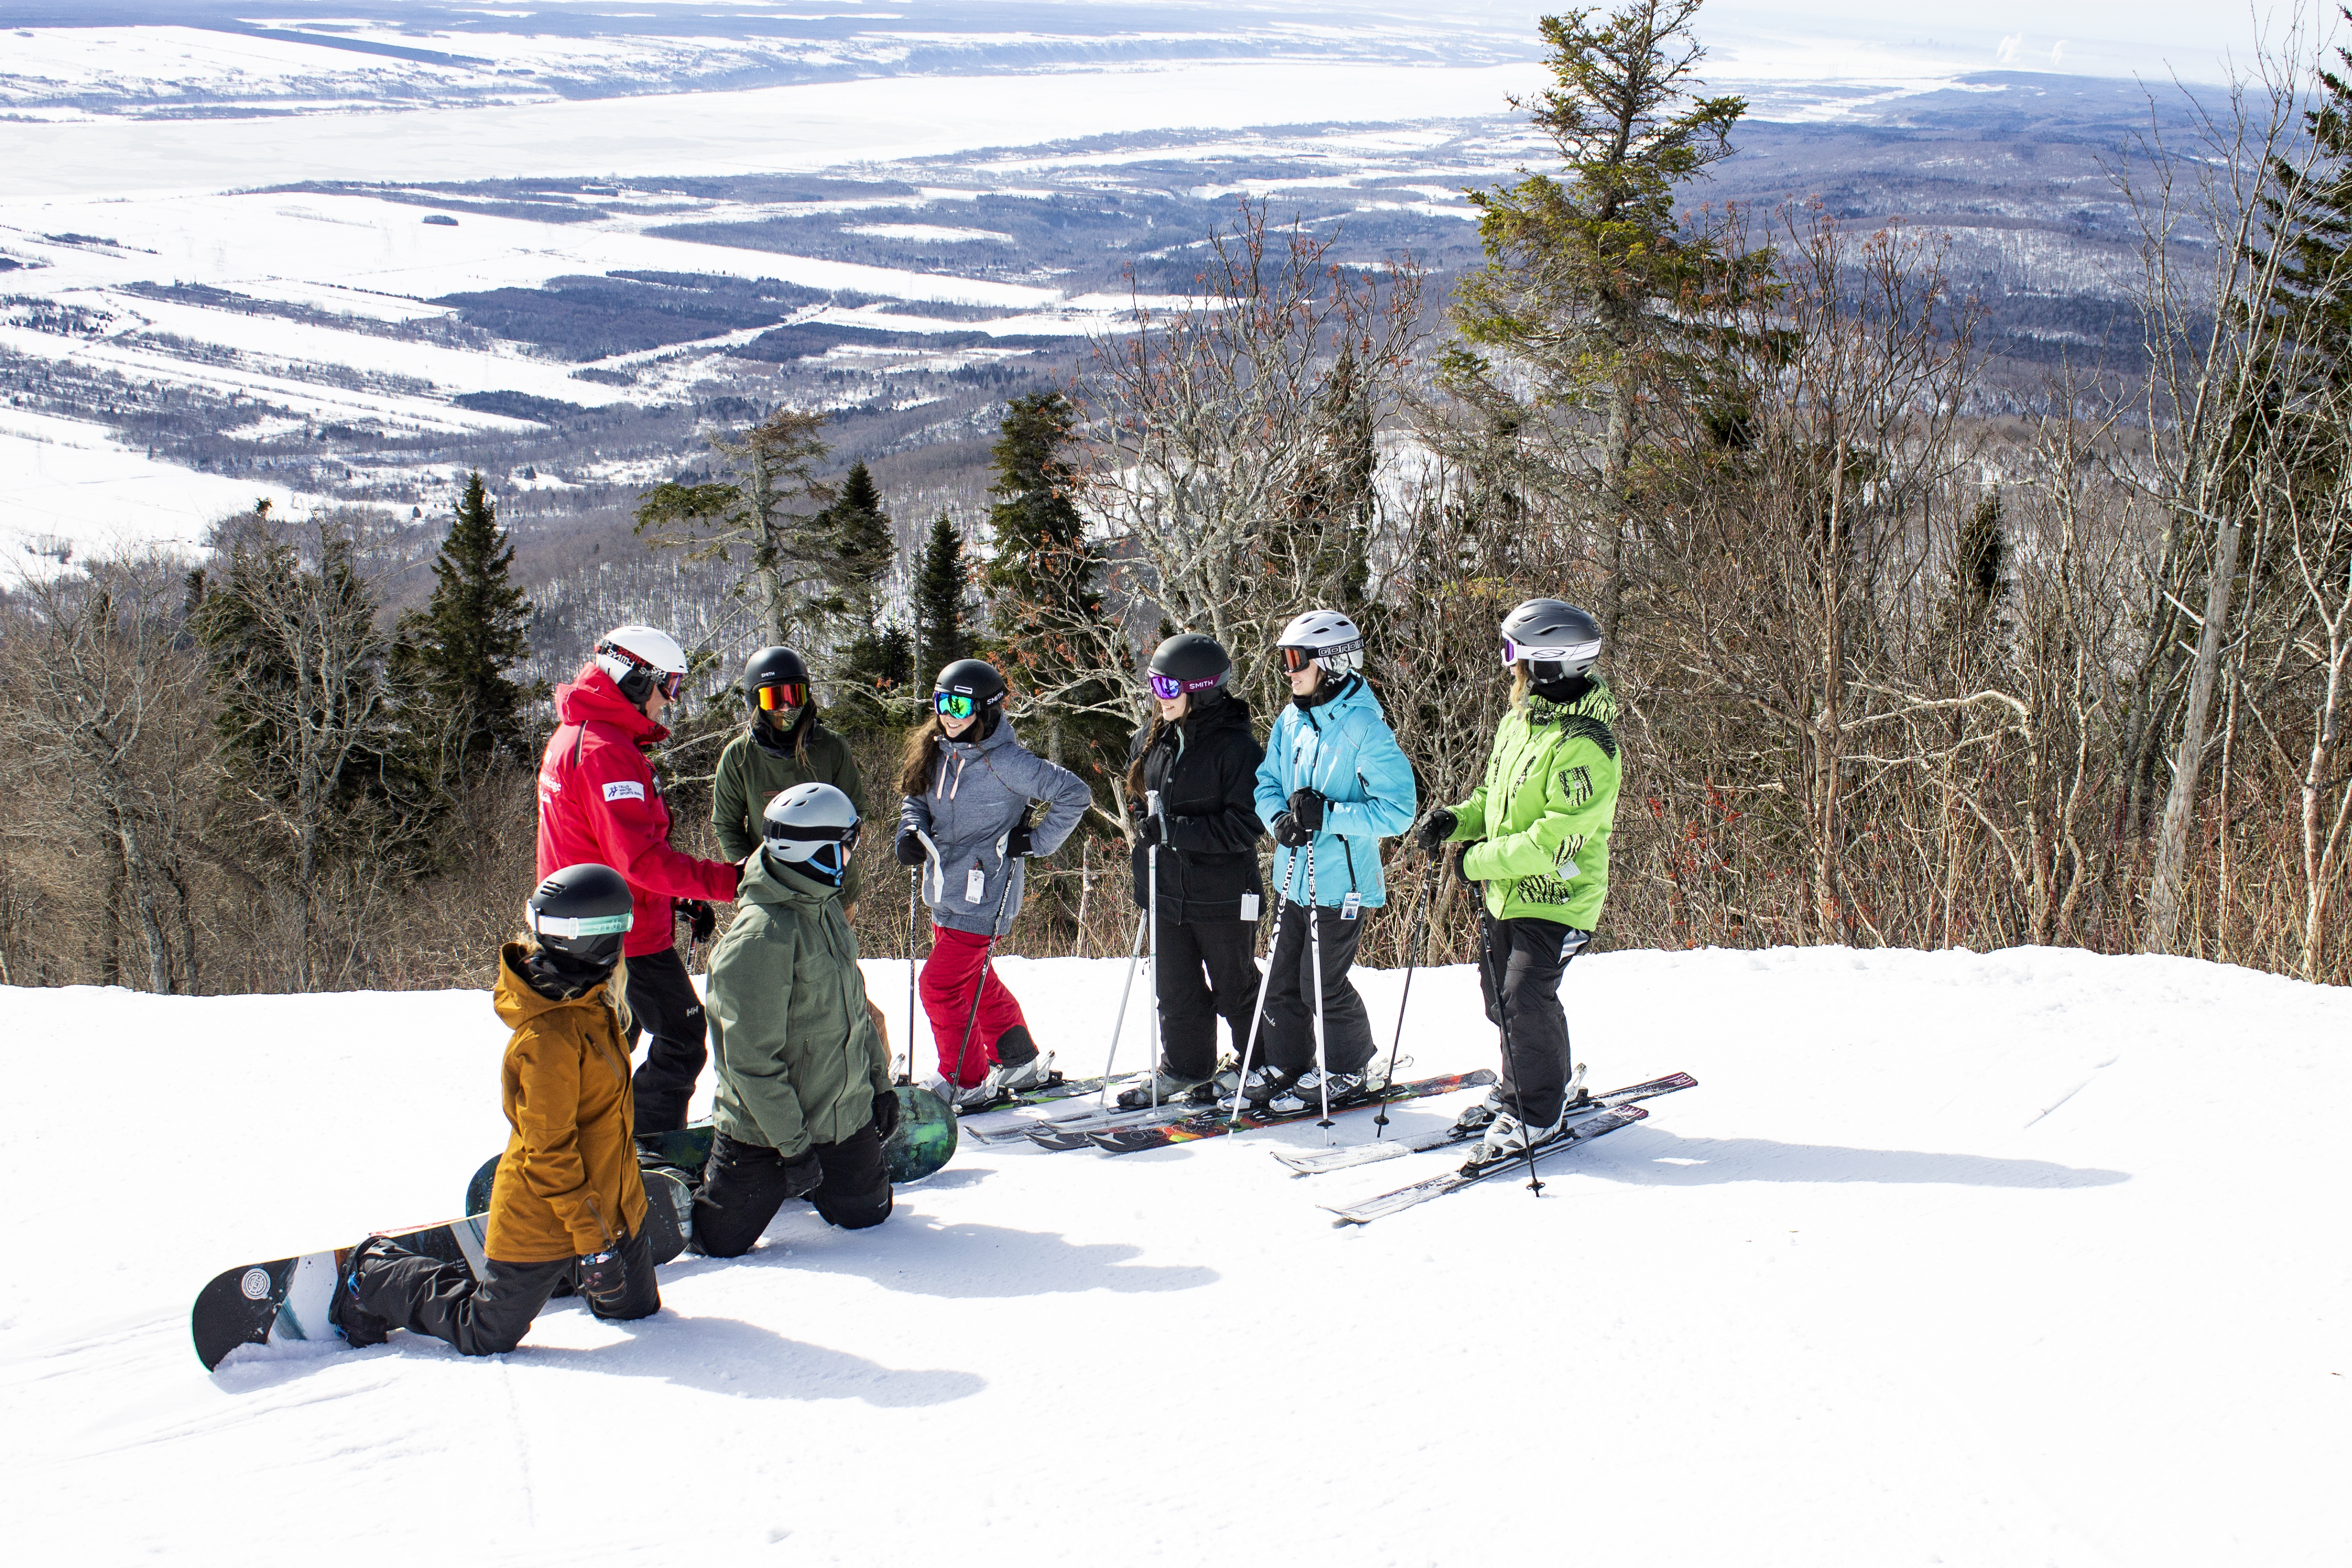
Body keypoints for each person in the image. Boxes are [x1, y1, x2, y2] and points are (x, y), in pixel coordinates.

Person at [331, 864, 662, 1355]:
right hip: (546, 1212)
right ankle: (376, 1273)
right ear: (601, 943)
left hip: (612, 1206)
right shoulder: (549, 1040)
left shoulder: (593, 1003)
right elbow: (549, 1154)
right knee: (486, 1332)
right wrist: (592, 1241)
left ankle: (569, 1272)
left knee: (634, 1309)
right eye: (623, 929)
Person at [1417, 598, 1621, 1162]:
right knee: (1501, 1001)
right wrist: (1455, 820)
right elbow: (1493, 800)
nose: (1510, 666)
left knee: (1525, 996)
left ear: (1550, 663)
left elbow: (1555, 841)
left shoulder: (1587, 747)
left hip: (1559, 895)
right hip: (1508, 892)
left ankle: (1537, 1112)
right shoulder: (1521, 721)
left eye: (1516, 654)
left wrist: (1473, 862)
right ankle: (1529, 1086)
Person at [536, 624, 741, 1133]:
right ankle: (647, 1148)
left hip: (598, 924)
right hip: (619, 934)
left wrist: (672, 901)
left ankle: (601, 1136)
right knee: (680, 1035)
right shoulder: (606, 752)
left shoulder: (580, 737)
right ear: (632, 679)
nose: (670, 702)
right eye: (667, 686)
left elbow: (598, 845)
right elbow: (639, 860)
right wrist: (731, 882)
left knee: (610, 1041)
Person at [693, 783, 897, 1255]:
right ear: (816, 852)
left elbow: (854, 1008)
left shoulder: (823, 905)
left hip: (839, 1113)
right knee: (720, 1243)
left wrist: (879, 1086)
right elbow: (749, 1062)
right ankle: (708, 1178)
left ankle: (828, 1178)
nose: (852, 856)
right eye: (848, 846)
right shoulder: (760, 938)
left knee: (868, 1214)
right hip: (765, 1130)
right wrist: (794, 1148)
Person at [892, 658, 1093, 1108]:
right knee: (973, 983)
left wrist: (1037, 840)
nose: (950, 714)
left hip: (985, 899)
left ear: (986, 709)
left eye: (961, 705)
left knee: (939, 987)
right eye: (943, 702)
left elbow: (1075, 794)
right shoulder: (937, 751)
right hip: (943, 893)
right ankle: (1016, 1060)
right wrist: (910, 832)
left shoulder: (1010, 763)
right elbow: (915, 799)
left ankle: (967, 1080)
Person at [1246, 609, 1417, 1109]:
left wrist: (1329, 815)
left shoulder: (1364, 727)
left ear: (1334, 663)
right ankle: (1289, 1062)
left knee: (1320, 983)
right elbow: (1266, 783)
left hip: (1342, 883)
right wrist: (1278, 818)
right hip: (1293, 876)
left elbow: (1398, 810)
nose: (1289, 671)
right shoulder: (1291, 720)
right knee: (1280, 980)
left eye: (1298, 659)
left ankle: (1349, 1068)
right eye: (1284, 659)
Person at [1113, 633, 1267, 1109]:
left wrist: (1175, 830)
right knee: (1175, 990)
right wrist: (1147, 822)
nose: (1159, 697)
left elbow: (1247, 826)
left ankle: (1261, 1064)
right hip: (1165, 889)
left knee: (1234, 986)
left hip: (1222, 894)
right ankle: (1187, 1066)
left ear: (1200, 689)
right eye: (1154, 685)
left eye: (1168, 687)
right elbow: (1143, 801)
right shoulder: (1152, 739)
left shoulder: (1238, 749)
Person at [711, 645, 868, 914]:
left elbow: (856, 811)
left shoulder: (830, 747)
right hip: (773, 894)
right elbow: (727, 825)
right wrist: (752, 871)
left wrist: (833, 861)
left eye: (795, 696)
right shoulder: (740, 756)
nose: (787, 708)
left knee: (836, 957)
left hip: (832, 892)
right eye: (775, 699)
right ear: (755, 701)